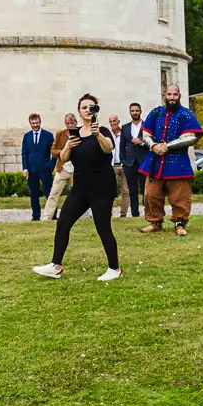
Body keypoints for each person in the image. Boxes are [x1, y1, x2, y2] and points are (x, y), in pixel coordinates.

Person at [32, 93, 123, 282]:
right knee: (63, 222)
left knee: (103, 227)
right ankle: (55, 265)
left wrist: (97, 134)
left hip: (102, 188)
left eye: (91, 107)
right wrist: (68, 147)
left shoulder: (103, 130)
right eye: (84, 108)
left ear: (96, 110)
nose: (87, 111)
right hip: (81, 188)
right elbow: (64, 158)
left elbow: (109, 148)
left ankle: (114, 268)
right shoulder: (74, 133)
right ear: (79, 112)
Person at [138, 84, 202, 236]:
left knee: (180, 196)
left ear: (179, 96)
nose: (172, 97)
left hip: (178, 163)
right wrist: (153, 145)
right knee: (151, 195)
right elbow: (145, 134)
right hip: (155, 161)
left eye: (175, 94)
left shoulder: (186, 114)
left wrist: (168, 146)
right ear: (164, 95)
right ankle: (155, 222)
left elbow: (192, 137)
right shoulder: (156, 113)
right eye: (169, 94)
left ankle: (179, 224)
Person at [42, 113, 79, 221]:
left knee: (79, 194)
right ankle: (46, 216)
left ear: (76, 122)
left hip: (77, 169)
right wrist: (62, 152)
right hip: (62, 168)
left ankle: (81, 215)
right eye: (68, 123)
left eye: (72, 122)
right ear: (65, 123)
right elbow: (53, 150)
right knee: (54, 193)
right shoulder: (60, 135)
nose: (70, 125)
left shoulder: (80, 133)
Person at [20, 113, 55, 221]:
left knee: (49, 192)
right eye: (33, 123)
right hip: (31, 170)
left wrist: (51, 165)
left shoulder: (48, 135)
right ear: (30, 123)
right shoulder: (27, 136)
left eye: (37, 123)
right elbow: (24, 153)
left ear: (40, 122)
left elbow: (53, 152)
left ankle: (52, 215)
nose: (35, 125)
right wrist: (25, 168)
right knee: (33, 193)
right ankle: (35, 216)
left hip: (45, 169)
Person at [117, 102, 148, 218]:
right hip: (129, 164)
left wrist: (142, 141)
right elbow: (121, 146)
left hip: (144, 162)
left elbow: (153, 141)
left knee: (146, 190)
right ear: (130, 112)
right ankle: (135, 214)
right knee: (132, 191)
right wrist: (123, 161)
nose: (135, 113)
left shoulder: (147, 126)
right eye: (132, 111)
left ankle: (148, 213)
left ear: (140, 111)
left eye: (137, 110)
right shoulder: (125, 127)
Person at [105, 114, 129, 218]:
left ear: (118, 121)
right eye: (110, 121)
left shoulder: (124, 133)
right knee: (109, 190)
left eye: (114, 121)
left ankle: (123, 214)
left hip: (124, 164)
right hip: (112, 165)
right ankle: (108, 213)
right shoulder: (108, 135)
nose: (112, 123)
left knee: (125, 190)